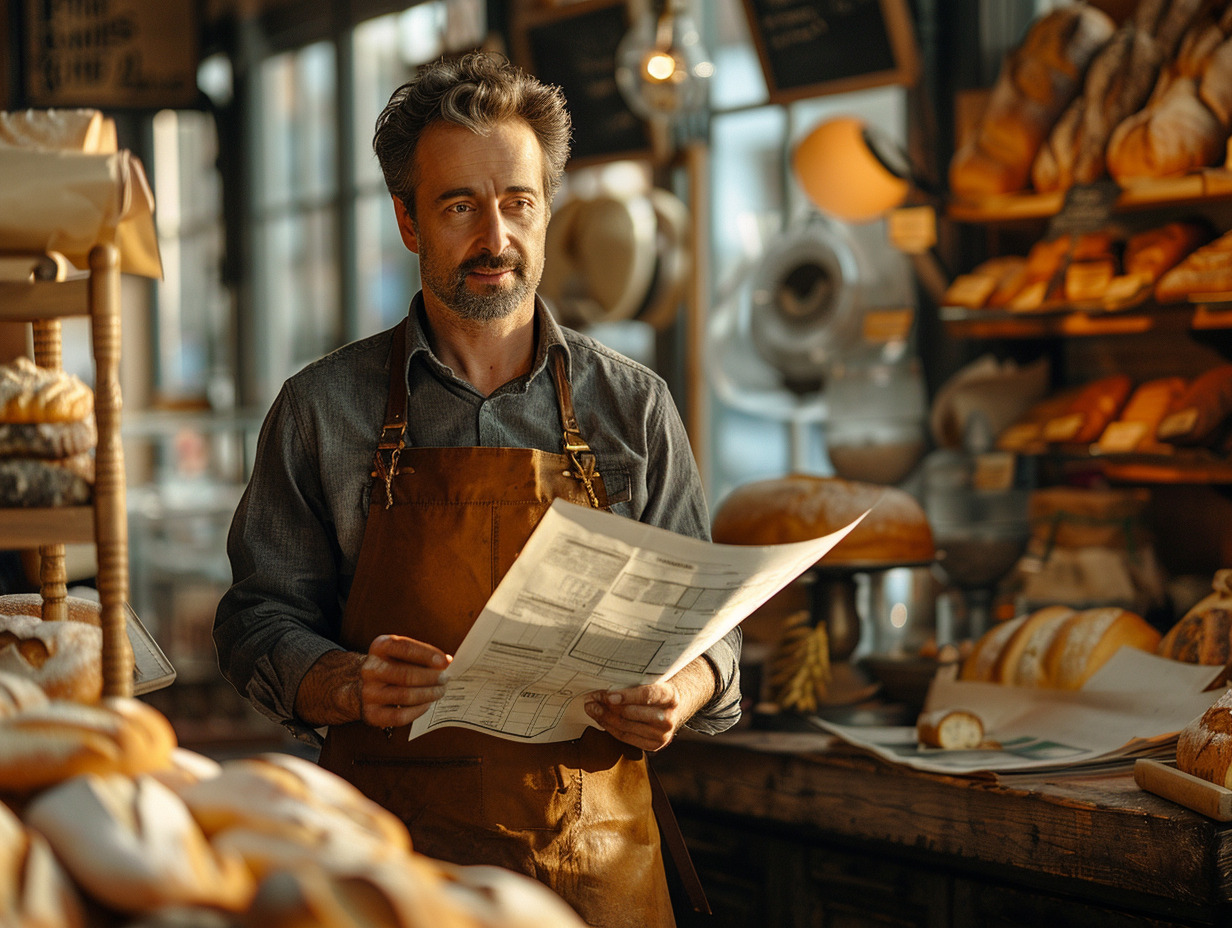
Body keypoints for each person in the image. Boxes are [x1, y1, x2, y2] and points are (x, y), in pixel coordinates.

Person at [214, 51, 741, 927]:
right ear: (409, 221)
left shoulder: (634, 408)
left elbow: (713, 635)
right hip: (386, 871)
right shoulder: (321, 409)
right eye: (460, 205)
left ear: (546, 210)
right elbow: (253, 620)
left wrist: (677, 697)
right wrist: (343, 684)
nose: (495, 238)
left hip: (597, 865)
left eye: (518, 203)